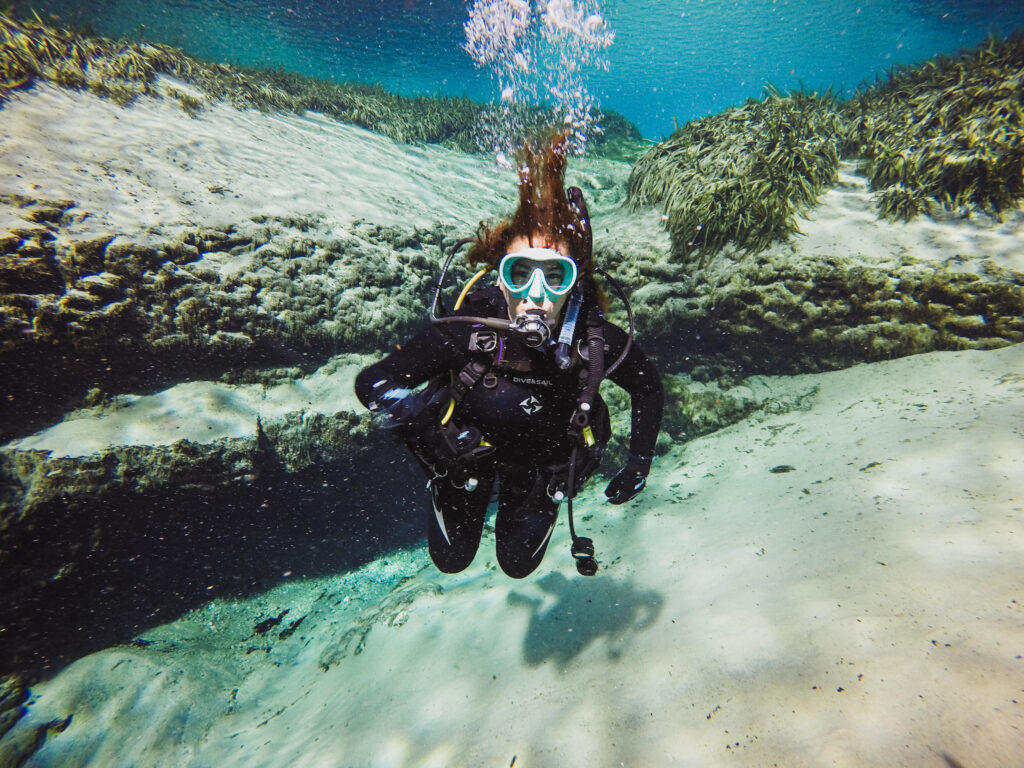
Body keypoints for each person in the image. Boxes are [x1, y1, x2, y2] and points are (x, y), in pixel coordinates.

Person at [355, 133, 663, 578]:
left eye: (554, 276)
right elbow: (373, 380)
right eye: (520, 274)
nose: (535, 295)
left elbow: (648, 387)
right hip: (465, 464)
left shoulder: (593, 340)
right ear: (499, 278)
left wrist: (639, 463)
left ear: (573, 282)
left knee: (518, 565)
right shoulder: (467, 328)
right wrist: (406, 410)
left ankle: (528, 497)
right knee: (451, 560)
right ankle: (453, 491)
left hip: (541, 468)